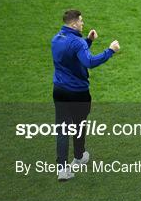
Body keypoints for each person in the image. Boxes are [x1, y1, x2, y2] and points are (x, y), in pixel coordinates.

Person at [51, 10, 120, 181]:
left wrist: (88, 41)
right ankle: (79, 156)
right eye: (81, 21)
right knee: (80, 125)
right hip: (78, 92)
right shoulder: (77, 42)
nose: (83, 23)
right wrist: (110, 51)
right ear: (74, 23)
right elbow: (89, 62)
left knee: (62, 130)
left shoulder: (56, 39)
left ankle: (62, 169)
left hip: (59, 90)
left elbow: (73, 56)